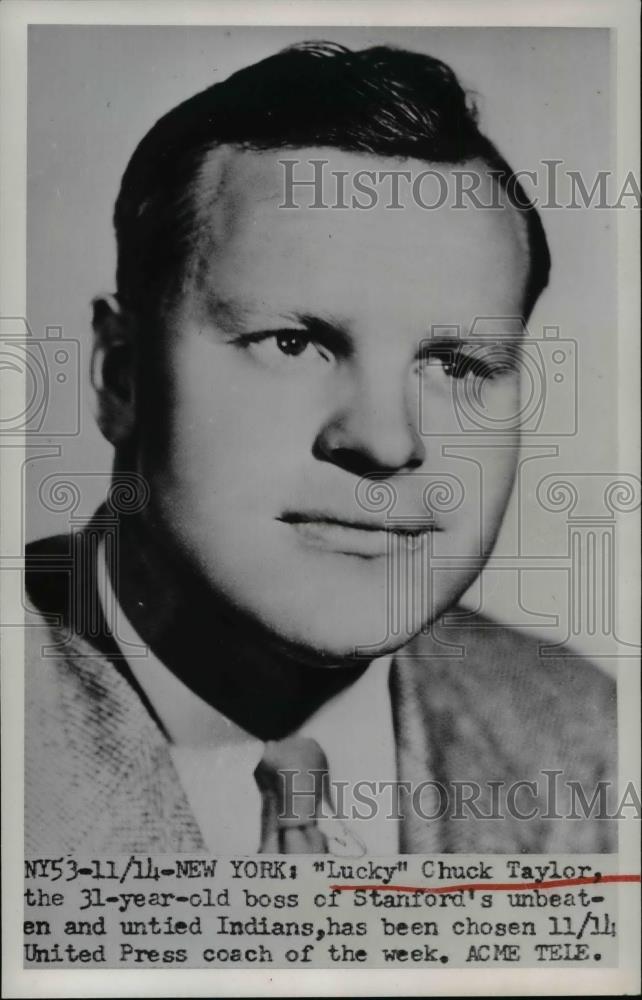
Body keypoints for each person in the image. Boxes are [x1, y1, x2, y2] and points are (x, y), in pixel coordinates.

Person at [25, 41, 616, 854]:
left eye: (455, 364)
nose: (383, 441)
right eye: (293, 344)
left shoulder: (587, 740)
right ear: (120, 375)